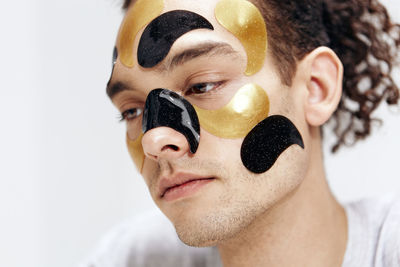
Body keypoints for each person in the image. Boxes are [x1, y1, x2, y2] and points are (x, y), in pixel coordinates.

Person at [82, 0, 400, 266]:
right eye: (132, 111)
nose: (154, 139)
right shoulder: (132, 259)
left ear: (317, 88)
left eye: (202, 85)